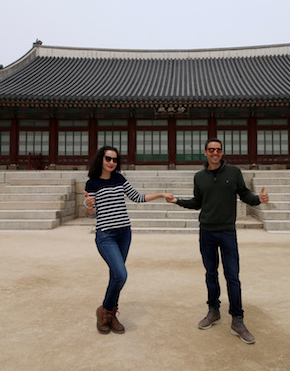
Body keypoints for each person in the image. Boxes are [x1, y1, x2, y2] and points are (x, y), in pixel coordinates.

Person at [166, 138, 269, 344]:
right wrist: (178, 201)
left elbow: (244, 194)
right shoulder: (199, 177)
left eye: (218, 149)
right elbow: (197, 202)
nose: (215, 153)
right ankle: (213, 310)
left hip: (227, 232)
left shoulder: (234, 172)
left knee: (232, 275)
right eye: (211, 149)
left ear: (222, 152)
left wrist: (258, 199)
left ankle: (237, 319)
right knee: (210, 273)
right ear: (205, 152)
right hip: (206, 232)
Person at [84, 145, 172, 335]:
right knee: (121, 274)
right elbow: (92, 214)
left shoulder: (119, 179)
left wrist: (161, 194)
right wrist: (89, 206)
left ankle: (110, 315)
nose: (111, 162)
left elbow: (137, 197)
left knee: (115, 276)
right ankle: (104, 311)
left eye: (115, 160)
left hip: (124, 233)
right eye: (108, 159)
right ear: (101, 160)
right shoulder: (92, 184)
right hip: (106, 235)